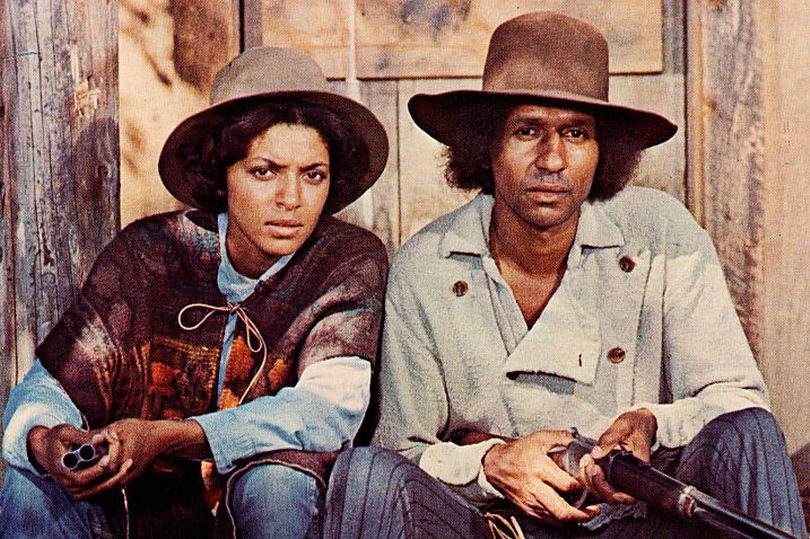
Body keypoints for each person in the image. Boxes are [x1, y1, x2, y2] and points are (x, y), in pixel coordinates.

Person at [323, 12, 808, 539]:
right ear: (486, 147)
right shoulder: (426, 266)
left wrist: (652, 422)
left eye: (576, 134)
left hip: (639, 520)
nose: (552, 159)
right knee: (364, 473)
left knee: (747, 432)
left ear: (604, 154)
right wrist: (490, 463)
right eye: (527, 131)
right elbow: (400, 449)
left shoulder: (661, 234)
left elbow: (738, 400)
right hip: (494, 526)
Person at [0, 46, 389, 538]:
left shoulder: (346, 260)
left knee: (275, 484)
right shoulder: (151, 252)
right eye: (264, 171)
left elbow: (327, 411)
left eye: (312, 175)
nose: (291, 199)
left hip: (274, 505)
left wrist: (170, 437)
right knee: (32, 487)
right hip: (142, 506)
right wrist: (46, 440)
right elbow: (49, 386)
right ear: (222, 175)